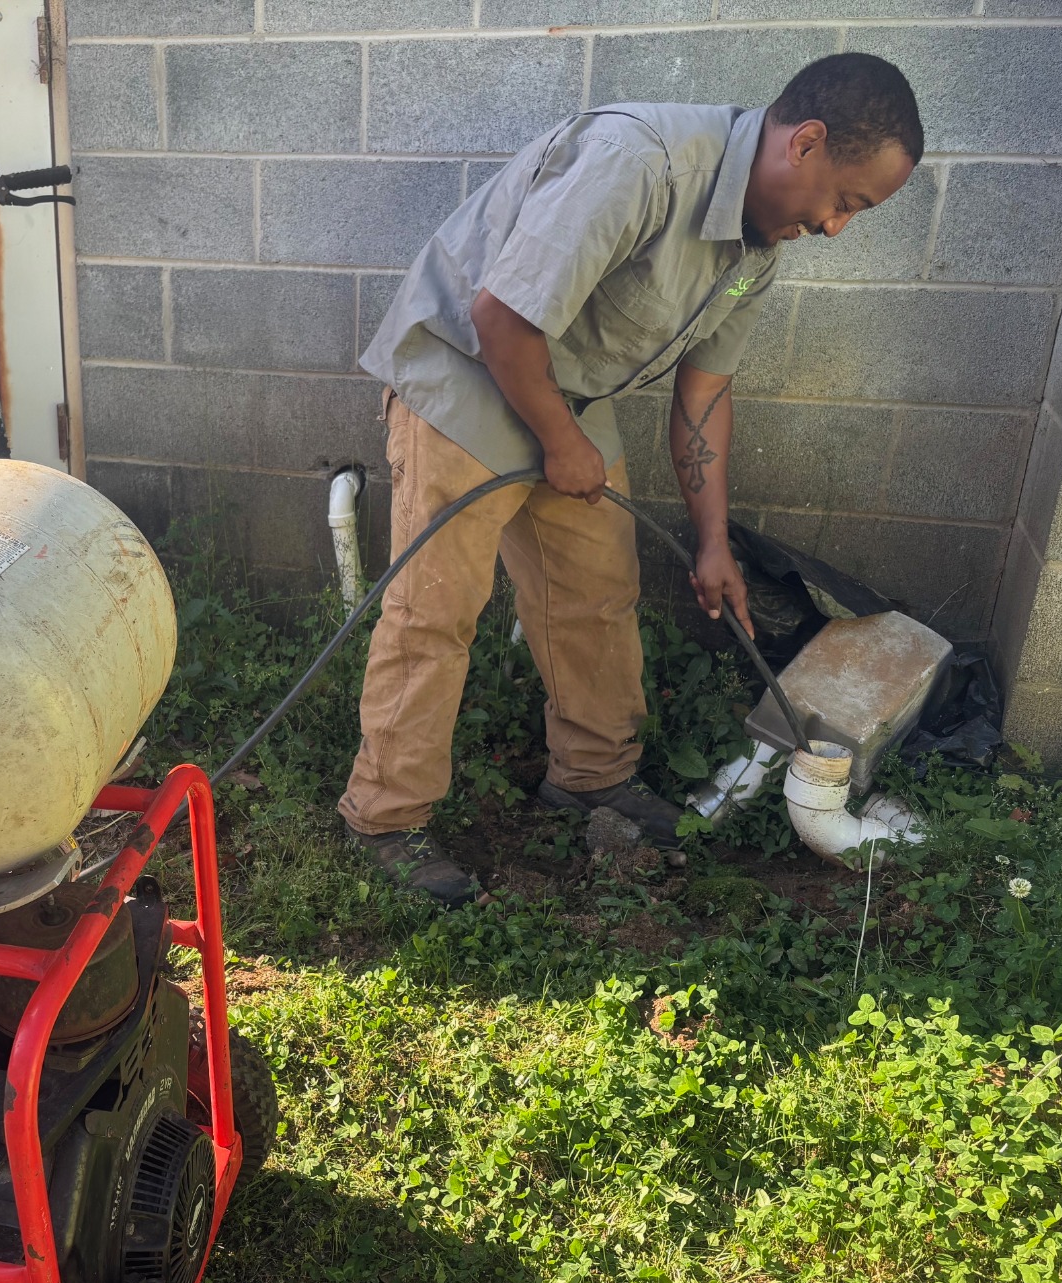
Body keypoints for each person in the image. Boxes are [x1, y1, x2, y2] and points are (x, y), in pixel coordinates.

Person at [341, 52, 923, 905]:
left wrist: (714, 542)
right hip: (466, 370)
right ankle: (385, 820)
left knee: (596, 592)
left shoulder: (757, 250)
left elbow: (705, 392)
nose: (837, 226)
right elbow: (500, 314)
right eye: (847, 200)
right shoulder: (641, 162)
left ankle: (590, 778)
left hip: (569, 387)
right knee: (434, 612)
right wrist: (558, 439)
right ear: (806, 142)